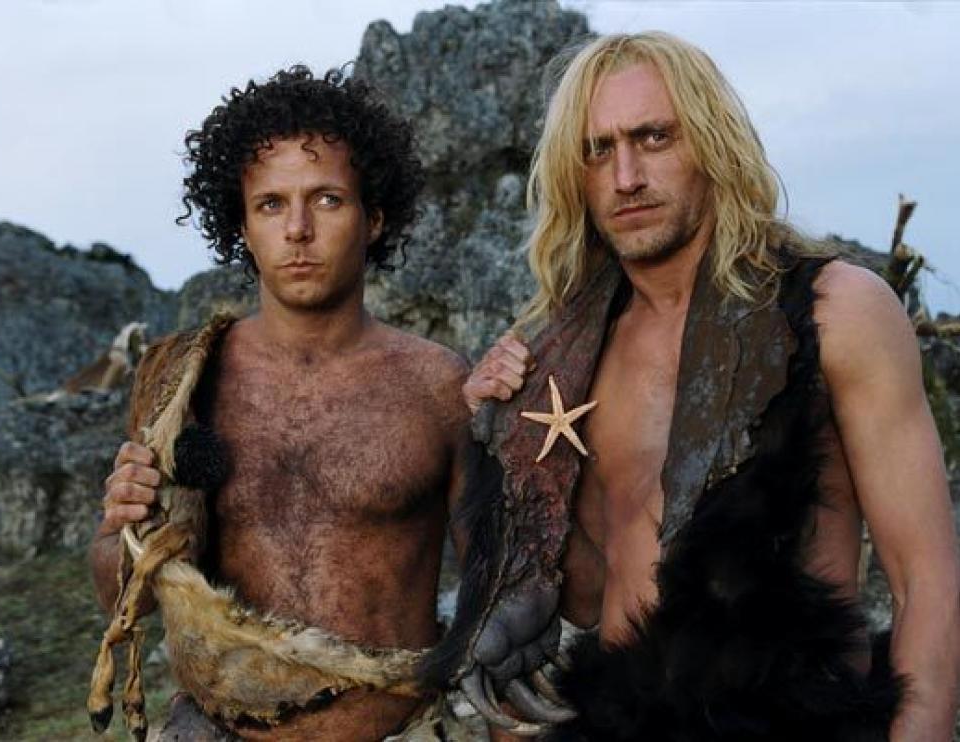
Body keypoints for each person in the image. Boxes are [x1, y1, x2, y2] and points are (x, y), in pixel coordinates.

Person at [451, 32, 960, 741]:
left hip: (793, 722)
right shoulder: (573, 353)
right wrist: (496, 449)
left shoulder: (834, 311)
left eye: (654, 137)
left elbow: (926, 578)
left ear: (714, 143)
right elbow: (590, 597)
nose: (626, 176)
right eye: (597, 149)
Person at [89, 66, 472, 741]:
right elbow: (125, 596)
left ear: (374, 218)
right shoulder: (183, 381)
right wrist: (119, 526)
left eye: (327, 200)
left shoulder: (439, 386)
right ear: (242, 226)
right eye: (270, 205)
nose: (297, 229)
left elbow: (498, 594)